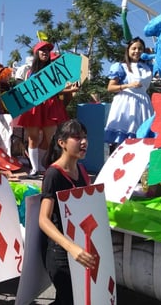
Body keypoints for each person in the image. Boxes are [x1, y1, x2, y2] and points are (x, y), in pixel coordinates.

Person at [38, 119, 95, 305]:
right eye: (77, 137)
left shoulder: (83, 171)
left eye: (85, 137)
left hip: (80, 248)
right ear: (62, 143)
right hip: (60, 253)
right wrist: (71, 248)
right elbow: (43, 220)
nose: (84, 142)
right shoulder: (53, 174)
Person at [16, 41, 79, 179]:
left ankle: (40, 164)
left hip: (51, 105)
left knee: (49, 137)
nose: (45, 52)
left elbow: (57, 88)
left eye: (47, 50)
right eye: (42, 50)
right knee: (33, 138)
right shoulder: (28, 71)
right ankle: (34, 168)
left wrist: (71, 89)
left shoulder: (54, 70)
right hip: (34, 106)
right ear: (36, 53)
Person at [104, 36, 153, 153]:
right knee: (124, 139)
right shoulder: (121, 67)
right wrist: (128, 85)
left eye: (140, 49)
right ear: (128, 50)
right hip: (126, 103)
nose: (137, 51)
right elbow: (110, 88)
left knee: (142, 138)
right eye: (134, 48)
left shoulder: (147, 67)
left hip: (143, 104)